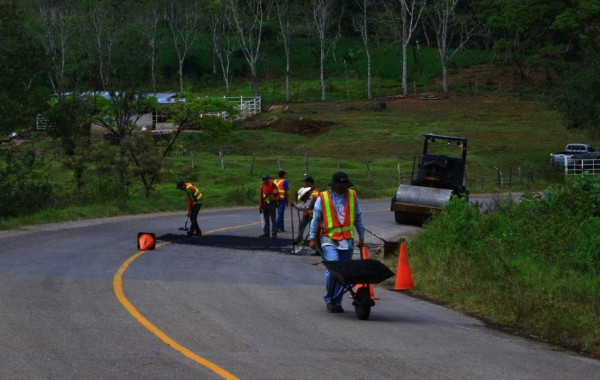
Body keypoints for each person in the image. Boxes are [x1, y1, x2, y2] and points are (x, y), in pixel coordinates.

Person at [308, 172, 365, 313]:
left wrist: (362, 236)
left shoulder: (352, 196)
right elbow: (315, 219)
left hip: (347, 240)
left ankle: (337, 302)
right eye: (340, 186)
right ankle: (330, 299)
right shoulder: (323, 198)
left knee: (344, 272)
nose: (343, 189)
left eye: (345, 186)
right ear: (334, 185)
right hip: (329, 239)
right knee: (333, 269)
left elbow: (358, 217)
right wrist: (312, 238)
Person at [291, 175, 319, 245]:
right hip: (306, 213)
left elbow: (309, 205)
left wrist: (295, 205)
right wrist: (298, 195)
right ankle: (299, 239)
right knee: (301, 225)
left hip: (312, 214)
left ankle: (314, 242)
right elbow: (304, 198)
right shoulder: (308, 191)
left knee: (312, 228)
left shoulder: (314, 193)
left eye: (306, 183)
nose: (305, 184)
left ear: (309, 183)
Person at [259, 173, 279, 238]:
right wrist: (260, 207)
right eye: (264, 179)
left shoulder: (273, 185)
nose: (265, 180)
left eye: (266, 179)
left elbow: (277, 193)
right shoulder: (262, 186)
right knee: (266, 219)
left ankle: (274, 234)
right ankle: (266, 233)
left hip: (272, 204)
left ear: (268, 179)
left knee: (273, 219)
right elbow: (261, 197)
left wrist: (275, 198)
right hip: (265, 204)